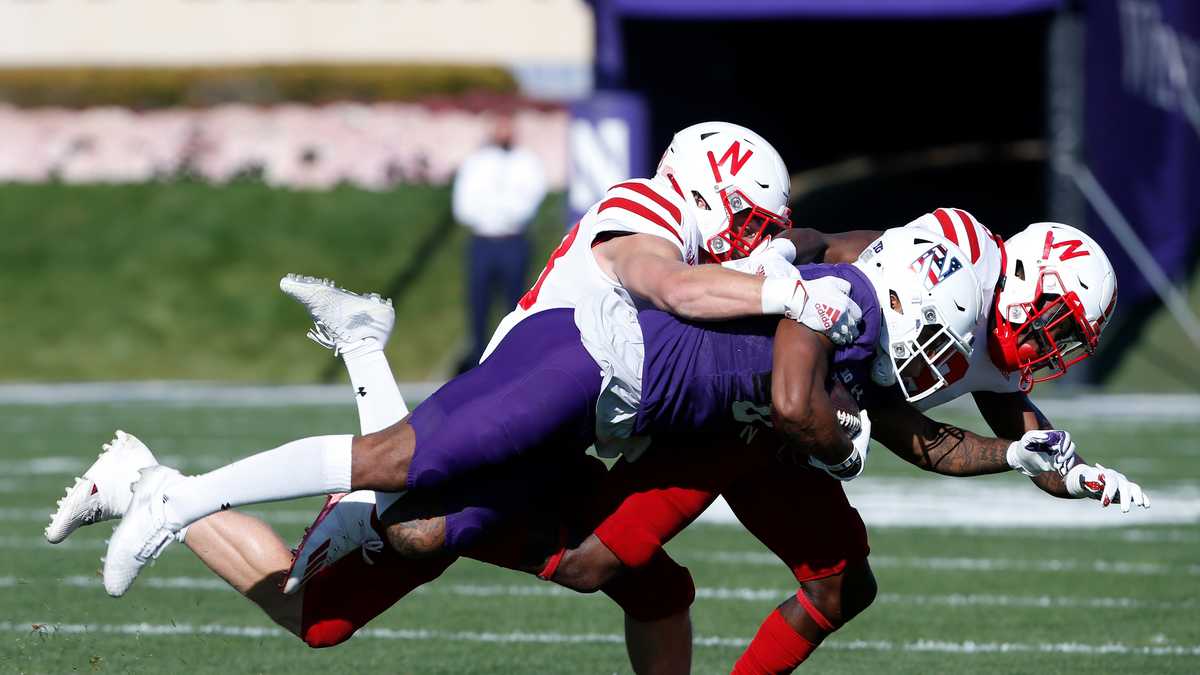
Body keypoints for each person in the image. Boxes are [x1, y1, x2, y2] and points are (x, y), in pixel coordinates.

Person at [451, 112, 547, 370]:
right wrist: (494, 210)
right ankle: (477, 363)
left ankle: (512, 363)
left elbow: (528, 200)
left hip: (513, 240)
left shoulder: (527, 162)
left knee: (515, 305)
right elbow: (464, 205)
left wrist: (501, 209)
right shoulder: (476, 162)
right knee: (478, 306)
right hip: (483, 240)